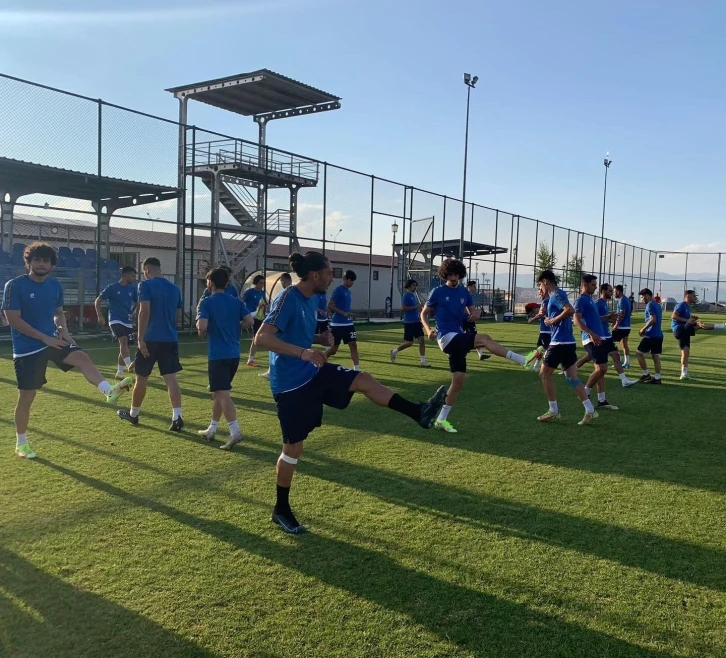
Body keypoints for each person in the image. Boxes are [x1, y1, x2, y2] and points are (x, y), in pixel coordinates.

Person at [255, 251, 447, 534]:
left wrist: (318, 338)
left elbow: (293, 333)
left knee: (363, 379)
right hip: (290, 384)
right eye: (329, 273)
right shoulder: (288, 297)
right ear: (315, 275)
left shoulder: (312, 299)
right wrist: (304, 352)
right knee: (293, 449)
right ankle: (281, 509)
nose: (332, 278)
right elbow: (262, 337)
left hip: (313, 372)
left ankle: (419, 412)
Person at [2, 243, 132, 459]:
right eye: (37, 260)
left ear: (51, 265)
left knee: (82, 358)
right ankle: (21, 443)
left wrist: (64, 331)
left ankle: (108, 391)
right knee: (27, 397)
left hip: (53, 340)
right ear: (29, 263)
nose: (41, 264)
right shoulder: (14, 285)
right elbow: (13, 320)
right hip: (27, 349)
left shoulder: (55, 285)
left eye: (45, 260)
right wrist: (44, 337)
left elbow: (59, 313)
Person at [420, 258, 536, 434]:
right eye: (450, 274)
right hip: (446, 338)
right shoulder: (437, 292)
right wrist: (428, 330)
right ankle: (523, 360)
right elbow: (423, 314)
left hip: (458, 337)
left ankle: (441, 419)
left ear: (460, 274)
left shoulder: (464, 292)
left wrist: (476, 313)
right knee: (485, 339)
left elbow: (472, 312)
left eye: (456, 274)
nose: (454, 277)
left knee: (458, 382)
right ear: (445, 275)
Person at [117, 257, 185, 430]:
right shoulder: (175, 289)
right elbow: (177, 317)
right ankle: (177, 417)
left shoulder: (145, 285)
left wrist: (140, 339)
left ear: (147, 269)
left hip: (150, 339)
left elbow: (144, 311)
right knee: (171, 378)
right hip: (170, 338)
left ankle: (133, 414)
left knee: (141, 378)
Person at [196, 268, 255, 449]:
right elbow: (250, 321)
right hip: (234, 355)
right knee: (218, 393)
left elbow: (202, 326)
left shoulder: (206, 302)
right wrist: (235, 326)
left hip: (218, 356)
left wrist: (201, 329)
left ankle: (235, 432)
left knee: (222, 394)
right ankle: (212, 429)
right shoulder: (235, 302)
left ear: (211, 283)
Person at [534, 270, 598, 425]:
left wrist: (552, 321)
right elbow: (563, 313)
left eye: (540, 285)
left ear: (545, 281)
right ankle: (589, 409)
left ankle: (553, 410)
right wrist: (547, 317)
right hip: (568, 343)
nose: (540, 288)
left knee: (544, 374)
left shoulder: (556, 294)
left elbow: (570, 310)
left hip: (559, 343)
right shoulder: (555, 296)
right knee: (571, 378)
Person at [574, 283, 637, 388]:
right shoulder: (597, 303)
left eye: (612, 291)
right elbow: (593, 319)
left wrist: (612, 319)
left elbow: (603, 319)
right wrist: (609, 317)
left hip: (606, 335)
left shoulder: (604, 303)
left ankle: (624, 380)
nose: (612, 293)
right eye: (610, 291)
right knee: (596, 362)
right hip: (599, 336)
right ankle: (575, 372)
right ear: (603, 291)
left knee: (615, 356)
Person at [573, 277, 620, 412]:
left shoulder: (590, 300)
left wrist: (608, 317)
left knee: (601, 371)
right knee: (602, 368)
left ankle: (602, 400)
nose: (595, 287)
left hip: (599, 338)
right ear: (585, 284)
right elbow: (576, 320)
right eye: (593, 285)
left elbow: (596, 319)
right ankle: (585, 393)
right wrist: (591, 334)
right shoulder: (581, 300)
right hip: (591, 339)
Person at [671, 289, 726, 380]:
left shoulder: (687, 307)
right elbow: (673, 316)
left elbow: (686, 319)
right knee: (700, 324)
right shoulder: (681, 305)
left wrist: (691, 319)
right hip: (679, 329)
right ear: (688, 296)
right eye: (694, 296)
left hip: (684, 330)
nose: (695, 298)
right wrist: (688, 320)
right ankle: (723, 326)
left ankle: (684, 374)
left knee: (685, 351)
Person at [95, 265, 138, 379]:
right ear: (126, 275)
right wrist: (100, 315)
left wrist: (132, 312)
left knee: (125, 346)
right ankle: (129, 365)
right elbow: (98, 300)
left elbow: (138, 302)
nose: (134, 278)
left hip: (127, 320)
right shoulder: (112, 288)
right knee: (123, 341)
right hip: (115, 319)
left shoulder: (132, 289)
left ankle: (119, 372)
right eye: (132, 276)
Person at [390, 279, 430, 367]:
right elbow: (403, 308)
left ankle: (423, 361)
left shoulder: (414, 296)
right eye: (413, 285)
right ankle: (394, 351)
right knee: (409, 343)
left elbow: (416, 309)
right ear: (408, 286)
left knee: (422, 340)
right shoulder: (406, 296)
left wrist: (420, 315)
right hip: (409, 323)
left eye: (415, 285)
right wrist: (416, 306)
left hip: (416, 322)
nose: (415, 287)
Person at [259, 272, 293, 380]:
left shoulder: (285, 294)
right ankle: (272, 371)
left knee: (275, 346)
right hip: (289, 328)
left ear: (283, 281)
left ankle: (273, 372)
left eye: (281, 281)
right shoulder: (296, 293)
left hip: (281, 327)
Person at [326, 270, 360, 371]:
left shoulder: (349, 292)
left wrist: (350, 313)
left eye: (353, 281)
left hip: (348, 324)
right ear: (345, 279)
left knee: (353, 345)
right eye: (351, 280)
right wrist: (343, 313)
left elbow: (345, 308)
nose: (352, 283)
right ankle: (317, 361)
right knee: (333, 349)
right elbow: (330, 305)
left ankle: (357, 370)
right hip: (337, 324)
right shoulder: (338, 290)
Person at [636, 288, 664, 384]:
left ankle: (646, 375)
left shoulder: (650, 305)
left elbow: (653, 319)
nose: (641, 299)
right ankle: (657, 378)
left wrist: (643, 329)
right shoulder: (657, 305)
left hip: (651, 335)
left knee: (639, 353)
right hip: (658, 335)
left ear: (647, 296)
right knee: (655, 356)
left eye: (642, 297)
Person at [462, 280, 491, 361]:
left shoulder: (469, 295)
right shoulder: (464, 294)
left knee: (473, 336)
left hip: (468, 319)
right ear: (469, 287)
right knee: (469, 337)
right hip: (465, 319)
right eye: (474, 286)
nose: (475, 288)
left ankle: (480, 354)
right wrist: (471, 314)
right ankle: (460, 353)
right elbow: (463, 307)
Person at [242, 274, 266, 367]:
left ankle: (251, 359)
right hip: (252, 316)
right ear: (255, 283)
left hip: (260, 317)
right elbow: (242, 302)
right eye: (260, 283)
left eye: (263, 283)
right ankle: (250, 359)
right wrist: (248, 313)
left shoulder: (263, 293)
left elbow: (263, 304)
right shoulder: (249, 292)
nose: (262, 285)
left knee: (258, 337)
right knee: (256, 338)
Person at [527, 286, 551, 372]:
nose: (539, 294)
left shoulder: (546, 301)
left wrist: (531, 319)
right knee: (539, 348)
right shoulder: (549, 301)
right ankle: (537, 365)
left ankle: (545, 366)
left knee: (547, 350)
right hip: (544, 330)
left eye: (540, 292)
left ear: (545, 291)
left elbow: (541, 314)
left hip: (546, 331)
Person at [612, 284, 632, 368]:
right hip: (627, 326)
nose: (613, 294)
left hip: (621, 327)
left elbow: (622, 313)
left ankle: (618, 360)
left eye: (614, 292)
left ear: (618, 291)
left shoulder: (622, 300)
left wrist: (616, 323)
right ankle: (627, 362)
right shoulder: (626, 299)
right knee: (624, 344)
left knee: (610, 343)